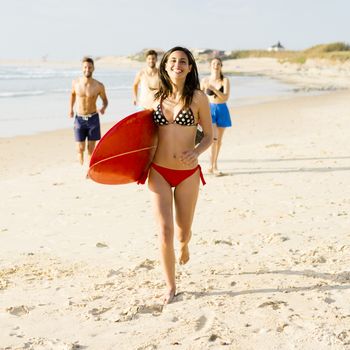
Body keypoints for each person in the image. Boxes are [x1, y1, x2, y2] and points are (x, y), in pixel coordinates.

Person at [140, 46, 213, 304]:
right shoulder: (153, 98)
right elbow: (138, 135)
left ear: (190, 67)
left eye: (183, 61)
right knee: (164, 230)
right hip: (158, 172)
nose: (177, 65)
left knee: (182, 233)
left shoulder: (199, 99)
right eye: (172, 60)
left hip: (187, 174)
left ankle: (184, 245)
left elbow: (209, 136)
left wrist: (196, 152)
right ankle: (170, 286)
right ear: (165, 66)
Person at [69, 57, 108, 165]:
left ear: (93, 68)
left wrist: (103, 108)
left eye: (90, 67)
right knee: (80, 148)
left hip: (93, 119)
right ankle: (80, 164)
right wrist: (70, 109)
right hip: (79, 118)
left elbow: (105, 100)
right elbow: (72, 95)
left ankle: (88, 169)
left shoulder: (99, 86)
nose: (87, 69)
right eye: (85, 67)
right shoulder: (76, 83)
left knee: (91, 149)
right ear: (82, 68)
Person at [200, 57, 231, 175]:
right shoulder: (205, 80)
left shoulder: (225, 80)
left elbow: (226, 97)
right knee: (214, 139)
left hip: (222, 109)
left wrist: (214, 89)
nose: (216, 65)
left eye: (218, 63)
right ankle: (211, 166)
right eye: (213, 63)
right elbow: (199, 96)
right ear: (210, 66)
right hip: (210, 109)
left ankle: (214, 164)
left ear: (221, 66)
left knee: (219, 141)